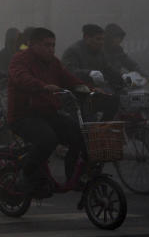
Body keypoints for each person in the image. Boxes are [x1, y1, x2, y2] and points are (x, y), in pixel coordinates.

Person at [7, 27, 90, 193]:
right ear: (33, 45)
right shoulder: (19, 60)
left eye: (53, 45)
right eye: (47, 45)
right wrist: (42, 86)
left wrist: (88, 88)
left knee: (78, 134)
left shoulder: (54, 62)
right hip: (23, 116)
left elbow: (69, 78)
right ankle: (26, 174)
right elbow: (21, 78)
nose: (51, 49)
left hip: (48, 113)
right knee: (47, 140)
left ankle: (73, 176)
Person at [61, 24, 121, 120]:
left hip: (93, 92)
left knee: (114, 101)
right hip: (77, 94)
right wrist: (88, 73)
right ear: (87, 38)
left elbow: (108, 69)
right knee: (88, 120)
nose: (101, 43)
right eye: (98, 39)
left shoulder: (100, 52)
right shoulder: (73, 51)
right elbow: (69, 72)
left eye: (102, 39)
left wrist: (124, 77)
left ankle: (103, 129)